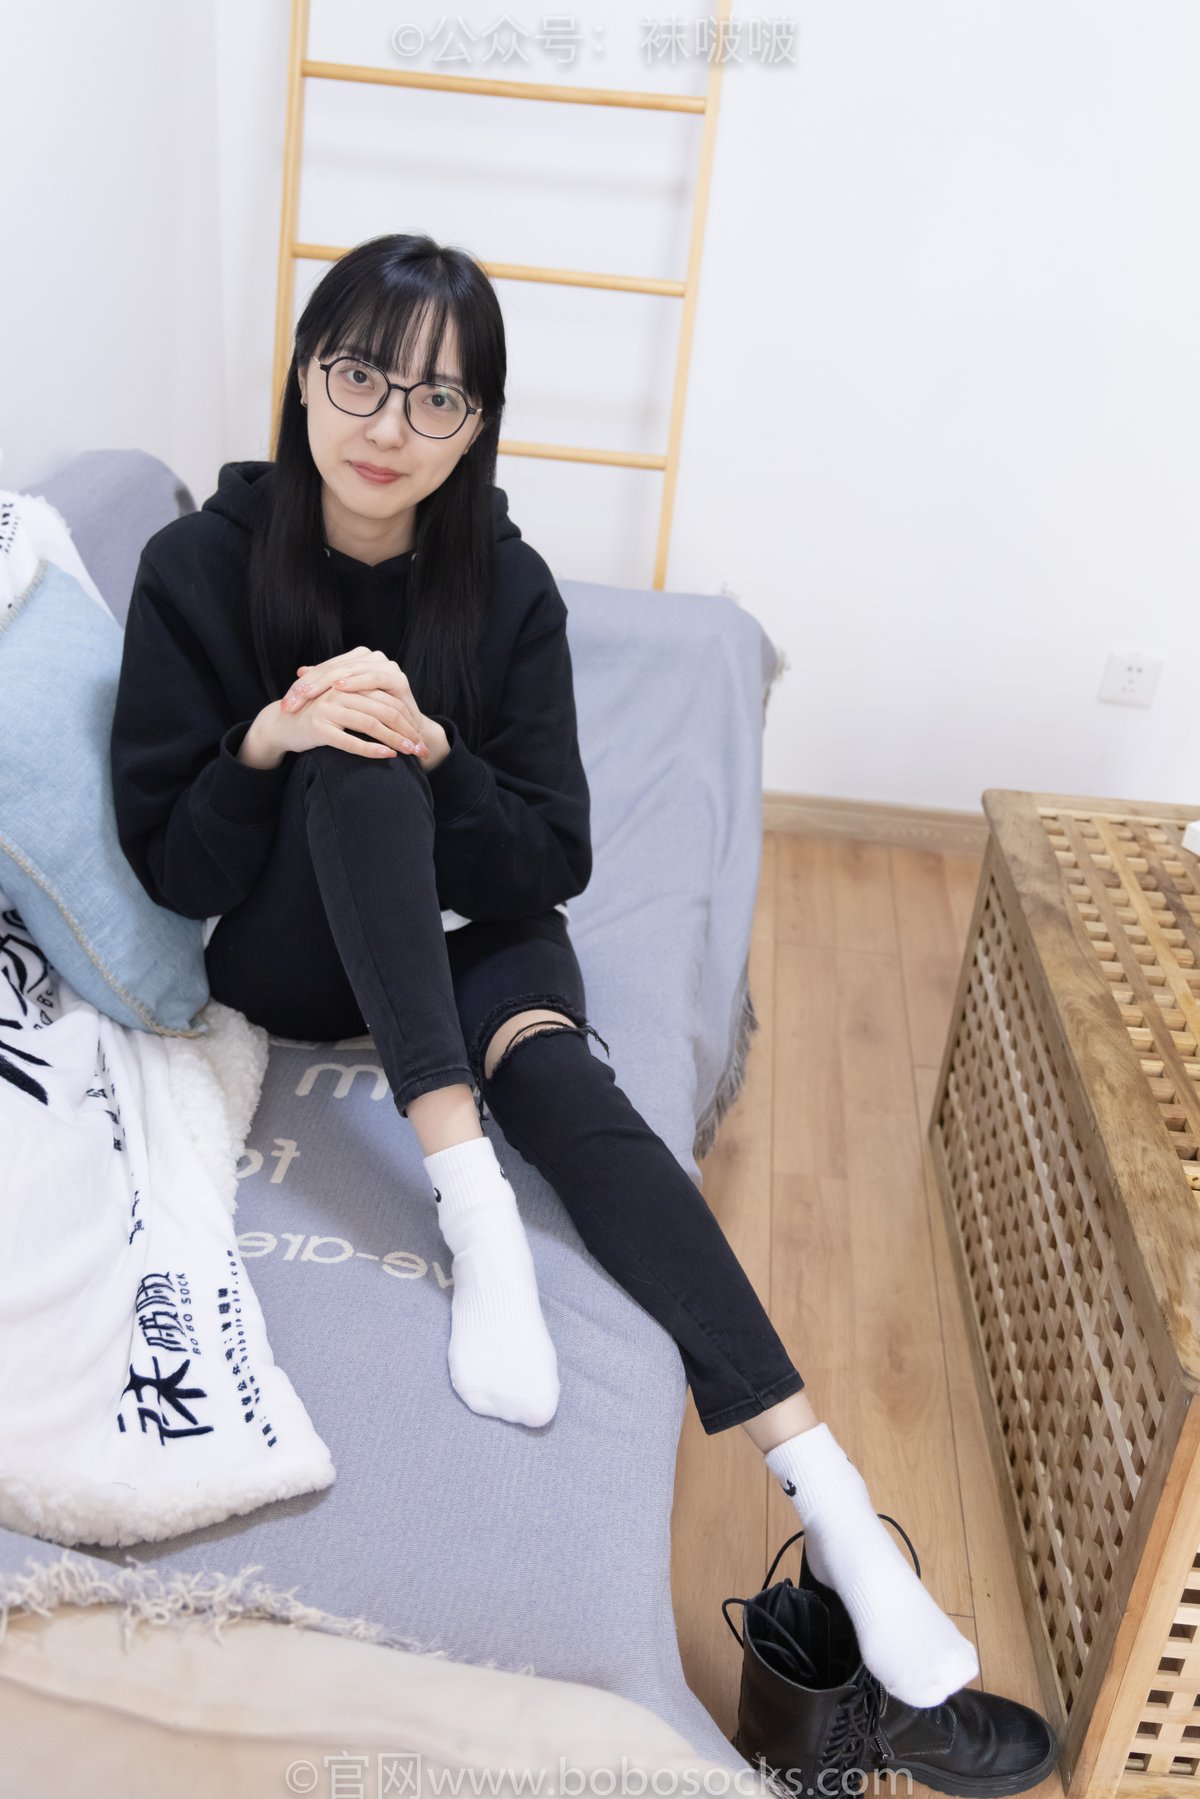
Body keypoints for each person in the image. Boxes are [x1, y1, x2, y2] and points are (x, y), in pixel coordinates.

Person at [109, 231, 978, 1711]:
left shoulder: (508, 591)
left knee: (570, 1086)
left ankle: (828, 1491)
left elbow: (549, 856)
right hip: (300, 951)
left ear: (477, 426)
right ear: (305, 377)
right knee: (353, 753)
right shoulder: (197, 567)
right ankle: (476, 1208)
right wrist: (272, 738)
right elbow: (172, 866)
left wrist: (444, 756)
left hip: (477, 937)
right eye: (361, 376)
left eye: (437, 399)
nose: (390, 426)